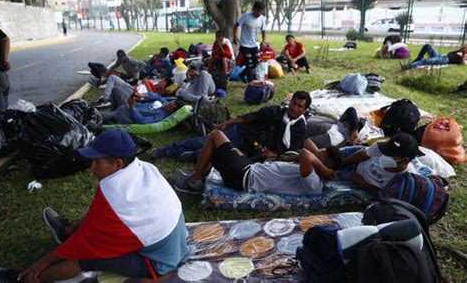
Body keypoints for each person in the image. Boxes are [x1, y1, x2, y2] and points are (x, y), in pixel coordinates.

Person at [0, 130, 189, 281]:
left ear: (118, 163)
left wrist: (40, 263)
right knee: (94, 219)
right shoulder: (143, 168)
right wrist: (75, 230)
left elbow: (85, 245)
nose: (91, 168)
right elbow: (99, 214)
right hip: (170, 242)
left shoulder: (116, 198)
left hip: (159, 261)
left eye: (97, 162)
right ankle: (68, 230)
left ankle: (25, 278)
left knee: (83, 259)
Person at [150, 91, 310, 162]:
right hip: (240, 133)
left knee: (223, 159)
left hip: (255, 152)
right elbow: (249, 117)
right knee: (204, 141)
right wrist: (226, 123)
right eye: (293, 103)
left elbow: (292, 151)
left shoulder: (300, 129)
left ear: (305, 110)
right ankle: (165, 151)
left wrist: (273, 155)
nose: (294, 108)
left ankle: (193, 156)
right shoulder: (275, 111)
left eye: (299, 106)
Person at [173, 130, 337, 195]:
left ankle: (195, 181)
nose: (317, 152)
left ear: (326, 165)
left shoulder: (314, 182)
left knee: (216, 135)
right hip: (249, 169)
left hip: (244, 176)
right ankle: (200, 174)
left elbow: (305, 153)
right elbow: (307, 142)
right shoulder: (313, 169)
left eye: (320, 154)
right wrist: (322, 162)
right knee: (232, 148)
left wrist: (323, 169)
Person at [338, 133, 421, 193]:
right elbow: (362, 155)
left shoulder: (406, 179)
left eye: (389, 154)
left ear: (404, 161)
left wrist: (364, 184)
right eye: (385, 151)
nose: (384, 155)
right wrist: (342, 164)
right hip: (355, 169)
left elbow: (389, 195)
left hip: (368, 189)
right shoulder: (380, 148)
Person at [102, 87, 182, 124]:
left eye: (169, 107)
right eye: (169, 103)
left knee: (98, 116)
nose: (166, 105)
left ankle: (112, 116)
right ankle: (113, 110)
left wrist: (132, 107)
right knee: (116, 90)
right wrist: (143, 95)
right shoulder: (165, 103)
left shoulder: (160, 115)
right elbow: (157, 96)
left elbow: (143, 121)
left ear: (172, 112)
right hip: (131, 104)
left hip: (127, 114)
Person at [233, 1, 266, 82]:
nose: (259, 13)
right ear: (254, 9)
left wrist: (263, 41)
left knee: (255, 63)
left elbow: (264, 31)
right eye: (258, 11)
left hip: (254, 44)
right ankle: (251, 82)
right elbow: (236, 25)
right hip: (244, 44)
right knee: (249, 64)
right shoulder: (246, 16)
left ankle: (242, 74)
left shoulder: (262, 18)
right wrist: (234, 36)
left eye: (261, 11)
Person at [0, 23, 13, 159]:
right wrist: (5, 59)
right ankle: (12, 141)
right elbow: (5, 39)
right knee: (4, 111)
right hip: (1, 74)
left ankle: (8, 145)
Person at [400, 44, 467, 70]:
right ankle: (418, 59)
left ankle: (407, 66)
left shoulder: (465, 56)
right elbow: (449, 53)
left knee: (426, 61)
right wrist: (459, 50)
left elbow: (462, 63)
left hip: (445, 60)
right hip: (442, 56)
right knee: (428, 46)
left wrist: (463, 53)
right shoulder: (462, 52)